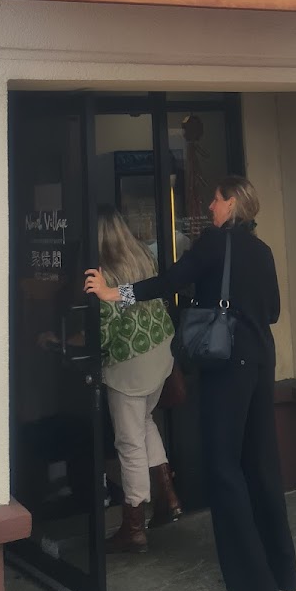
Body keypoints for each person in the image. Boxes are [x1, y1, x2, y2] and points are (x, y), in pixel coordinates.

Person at [85, 176, 296, 591]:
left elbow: (169, 282)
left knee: (223, 470)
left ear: (231, 204)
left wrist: (112, 293)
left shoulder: (213, 244)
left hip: (228, 367)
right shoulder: (262, 250)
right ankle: (281, 569)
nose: (211, 207)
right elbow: (274, 310)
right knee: (261, 464)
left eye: (216, 201)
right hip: (262, 362)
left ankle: (251, 589)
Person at [96, 204, 183, 552]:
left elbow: (105, 330)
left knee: (129, 443)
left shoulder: (103, 272)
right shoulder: (143, 256)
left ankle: (133, 525)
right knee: (145, 421)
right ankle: (168, 497)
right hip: (160, 352)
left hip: (129, 365)